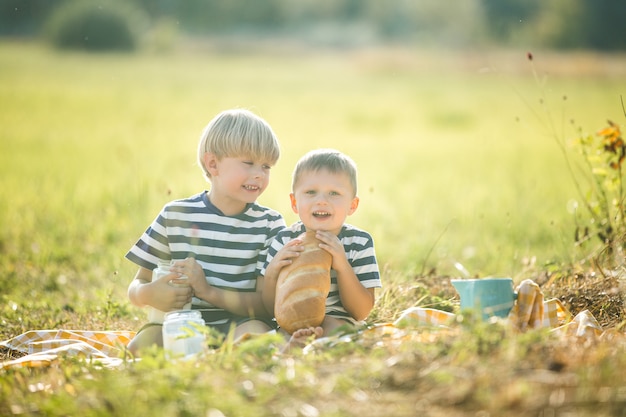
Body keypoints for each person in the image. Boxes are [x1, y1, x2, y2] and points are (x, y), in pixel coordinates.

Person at [125, 108, 285, 356]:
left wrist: (208, 292)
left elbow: (266, 305)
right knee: (137, 349)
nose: (259, 175)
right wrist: (149, 293)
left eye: (266, 166)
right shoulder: (175, 215)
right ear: (213, 164)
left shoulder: (270, 225)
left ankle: (216, 361)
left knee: (259, 339)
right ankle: (207, 359)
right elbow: (137, 284)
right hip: (177, 324)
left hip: (239, 324)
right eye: (249, 163)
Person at [261, 148, 381, 348]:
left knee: (334, 328)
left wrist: (342, 265)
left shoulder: (359, 242)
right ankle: (293, 351)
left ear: (352, 205)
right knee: (274, 339)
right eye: (310, 192)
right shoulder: (285, 241)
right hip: (292, 323)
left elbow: (361, 312)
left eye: (334, 193)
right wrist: (273, 271)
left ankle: (317, 347)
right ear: (294, 202)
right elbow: (267, 309)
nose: (322, 200)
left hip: (340, 321)